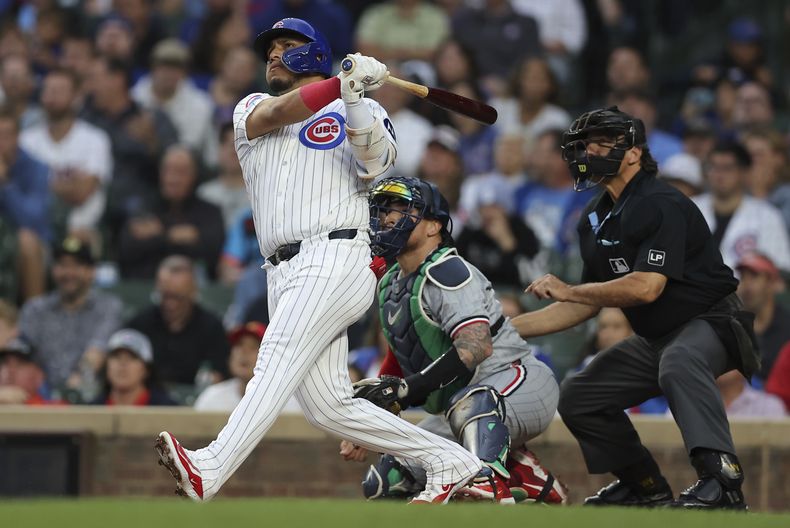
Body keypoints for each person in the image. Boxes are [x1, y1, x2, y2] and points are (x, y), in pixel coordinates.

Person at [154, 18, 485, 504]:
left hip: (337, 254)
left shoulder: (364, 106)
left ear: (314, 52)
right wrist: (341, 82)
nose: (273, 55)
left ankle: (211, 466)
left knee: (276, 356)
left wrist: (351, 96)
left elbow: (375, 165)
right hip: (280, 269)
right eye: (270, 49)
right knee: (328, 407)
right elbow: (280, 113)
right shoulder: (251, 107)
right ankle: (453, 462)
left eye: (286, 46)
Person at [512, 106, 758, 509]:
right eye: (584, 145)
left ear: (633, 153)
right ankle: (644, 486)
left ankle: (722, 483)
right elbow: (585, 305)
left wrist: (570, 289)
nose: (587, 152)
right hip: (658, 337)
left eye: (600, 143)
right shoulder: (594, 217)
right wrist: (505, 327)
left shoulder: (662, 202)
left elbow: (646, 288)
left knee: (679, 361)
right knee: (580, 394)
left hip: (715, 321)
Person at [344, 176, 567, 504]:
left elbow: (476, 346)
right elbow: (403, 354)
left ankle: (489, 479)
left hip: (519, 383)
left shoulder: (449, 271)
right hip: (460, 409)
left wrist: (407, 391)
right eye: (384, 209)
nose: (388, 217)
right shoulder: (390, 281)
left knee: (472, 407)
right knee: (385, 482)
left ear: (433, 226)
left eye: (401, 208)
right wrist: (378, 415)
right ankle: (523, 473)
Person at [19, 237, 123, 399]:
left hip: (90, 398)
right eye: (62, 265)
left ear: (91, 272)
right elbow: (23, 354)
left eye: (76, 266)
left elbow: (96, 353)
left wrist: (72, 388)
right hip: (40, 397)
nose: (68, 273)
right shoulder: (35, 309)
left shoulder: (107, 307)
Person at [127, 256, 230, 386]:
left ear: (193, 291)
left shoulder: (211, 327)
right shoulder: (140, 324)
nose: (171, 305)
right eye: (166, 296)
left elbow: (220, 375)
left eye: (177, 297)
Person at [692, 141, 790, 273]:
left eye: (727, 168)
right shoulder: (689, 207)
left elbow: (780, 267)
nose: (719, 175)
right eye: (713, 167)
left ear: (744, 172)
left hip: (744, 292)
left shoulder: (767, 216)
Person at [194, 321, 301, 413]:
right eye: (239, 345)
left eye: (253, 347)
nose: (243, 352)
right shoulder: (211, 397)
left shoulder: (289, 402)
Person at [734, 253, 790, 381]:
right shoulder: (731, 326)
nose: (746, 285)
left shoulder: (787, 326)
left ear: (772, 283)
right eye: (743, 277)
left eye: (754, 276)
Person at [92, 328, 176, 406]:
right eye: (116, 357)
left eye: (132, 357)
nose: (123, 363)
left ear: (146, 369)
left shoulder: (167, 409)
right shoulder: (91, 410)